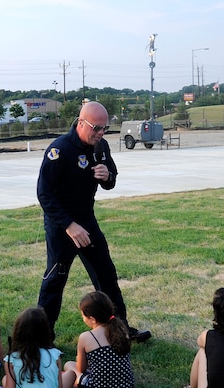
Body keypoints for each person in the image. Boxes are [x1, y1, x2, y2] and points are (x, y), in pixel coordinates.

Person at [36, 100, 150, 343]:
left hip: (87, 220)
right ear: (80, 122)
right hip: (61, 227)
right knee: (55, 279)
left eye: (104, 129)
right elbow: (44, 194)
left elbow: (111, 178)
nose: (100, 133)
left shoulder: (101, 146)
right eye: (96, 128)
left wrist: (107, 176)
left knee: (106, 274)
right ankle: (42, 337)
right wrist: (69, 225)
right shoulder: (60, 150)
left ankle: (120, 330)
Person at [61, 291, 134, 388]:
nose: (83, 319)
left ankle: (77, 382)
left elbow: (81, 369)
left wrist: (79, 359)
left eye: (83, 315)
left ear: (92, 319)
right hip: (126, 385)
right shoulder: (122, 330)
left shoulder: (86, 337)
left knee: (69, 365)